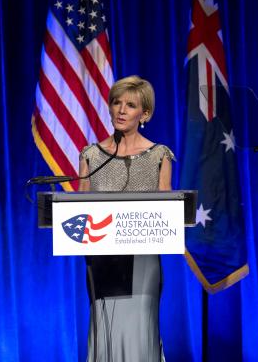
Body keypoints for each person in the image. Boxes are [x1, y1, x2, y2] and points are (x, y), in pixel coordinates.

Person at [78, 75, 175, 362]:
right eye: (116, 102)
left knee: (138, 330)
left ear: (144, 114)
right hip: (102, 260)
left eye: (130, 105)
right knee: (104, 329)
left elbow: (166, 212)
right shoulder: (91, 155)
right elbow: (79, 213)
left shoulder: (159, 155)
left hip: (143, 261)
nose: (121, 110)